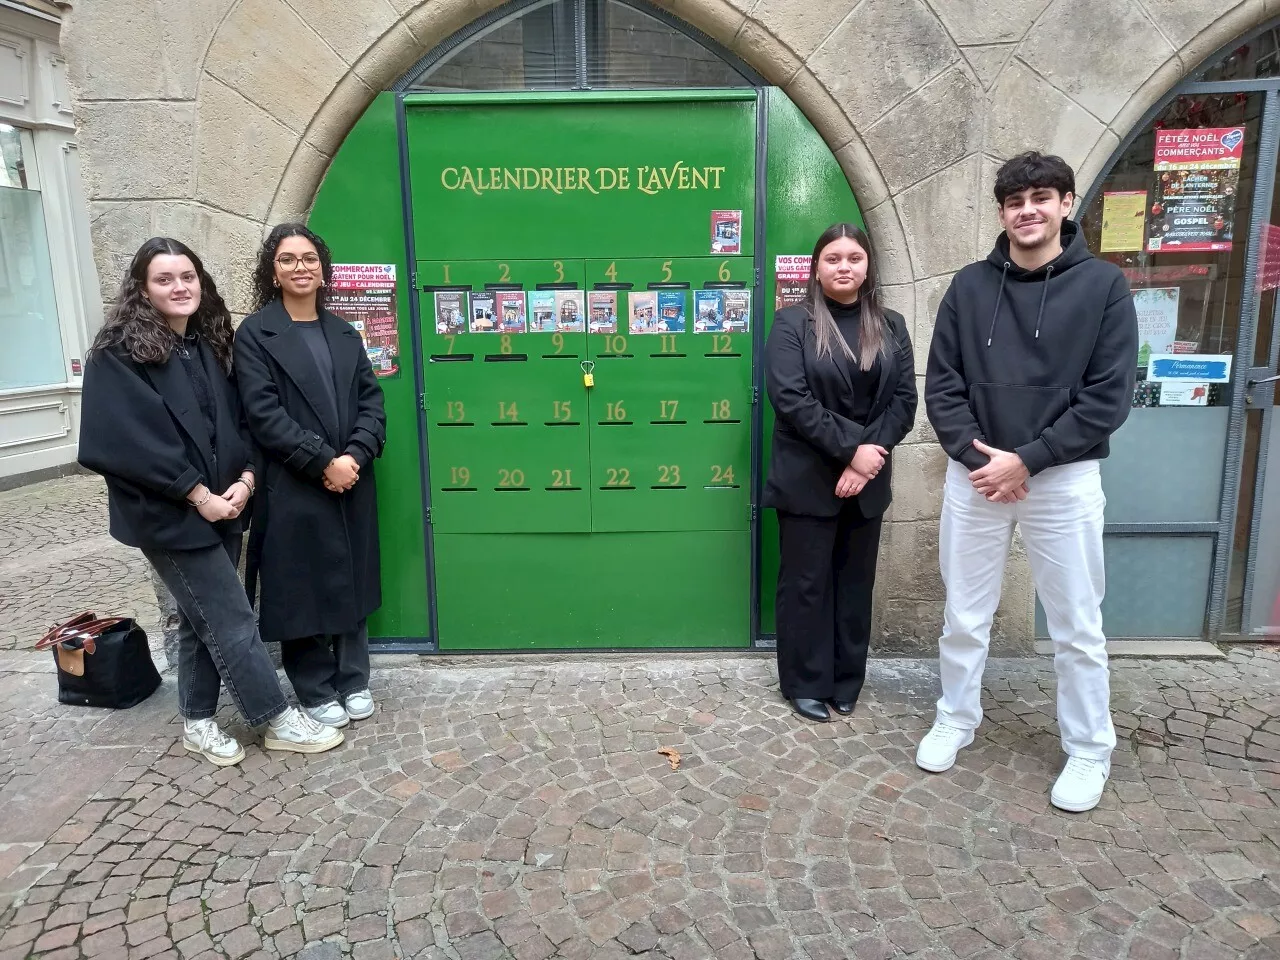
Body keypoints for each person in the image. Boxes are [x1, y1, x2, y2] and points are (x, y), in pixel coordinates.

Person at [917, 152, 1138, 813]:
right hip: (977, 475)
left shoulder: (1104, 286)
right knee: (964, 614)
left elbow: (1108, 397)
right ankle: (957, 716)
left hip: (1063, 480)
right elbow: (945, 382)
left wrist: (1031, 458)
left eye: (1042, 197)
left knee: (1075, 625)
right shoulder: (969, 287)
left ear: (1068, 203)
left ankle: (1090, 750)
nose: (1028, 210)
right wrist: (981, 459)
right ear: (1002, 212)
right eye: (1015, 201)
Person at [78, 238, 345, 765]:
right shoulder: (118, 357)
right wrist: (197, 495)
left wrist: (245, 480)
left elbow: (239, 424)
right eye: (164, 279)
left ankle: (198, 723)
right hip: (171, 515)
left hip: (226, 504)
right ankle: (272, 717)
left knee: (204, 619)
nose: (179, 287)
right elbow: (122, 444)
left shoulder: (204, 345)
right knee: (232, 618)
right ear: (142, 288)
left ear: (202, 283)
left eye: (187, 277)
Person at [763, 223, 918, 722]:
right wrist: (854, 450)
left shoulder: (891, 325)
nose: (844, 266)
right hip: (808, 480)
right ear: (816, 267)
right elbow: (791, 399)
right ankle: (805, 682)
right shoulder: (792, 324)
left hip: (867, 483)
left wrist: (869, 457)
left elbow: (903, 401)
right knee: (806, 586)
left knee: (855, 585)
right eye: (833, 258)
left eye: (854, 257)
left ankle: (847, 678)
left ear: (867, 265)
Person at [235, 224, 386, 729]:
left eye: (309, 257)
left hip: (351, 479)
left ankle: (353, 678)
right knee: (301, 585)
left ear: (323, 268)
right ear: (273, 272)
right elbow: (264, 413)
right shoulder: (256, 334)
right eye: (287, 259)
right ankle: (315, 686)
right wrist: (324, 462)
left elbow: (372, 403)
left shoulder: (344, 332)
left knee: (351, 580)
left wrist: (355, 458)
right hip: (295, 483)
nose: (301, 267)